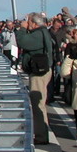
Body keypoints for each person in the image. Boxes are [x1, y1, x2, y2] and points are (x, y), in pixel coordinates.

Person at [16, 13, 54, 144]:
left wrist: (21, 29)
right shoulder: (42, 32)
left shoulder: (38, 34)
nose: (27, 23)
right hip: (40, 71)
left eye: (29, 21)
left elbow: (22, 42)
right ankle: (41, 133)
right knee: (39, 103)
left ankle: (41, 136)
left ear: (35, 23)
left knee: (37, 104)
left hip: (39, 73)